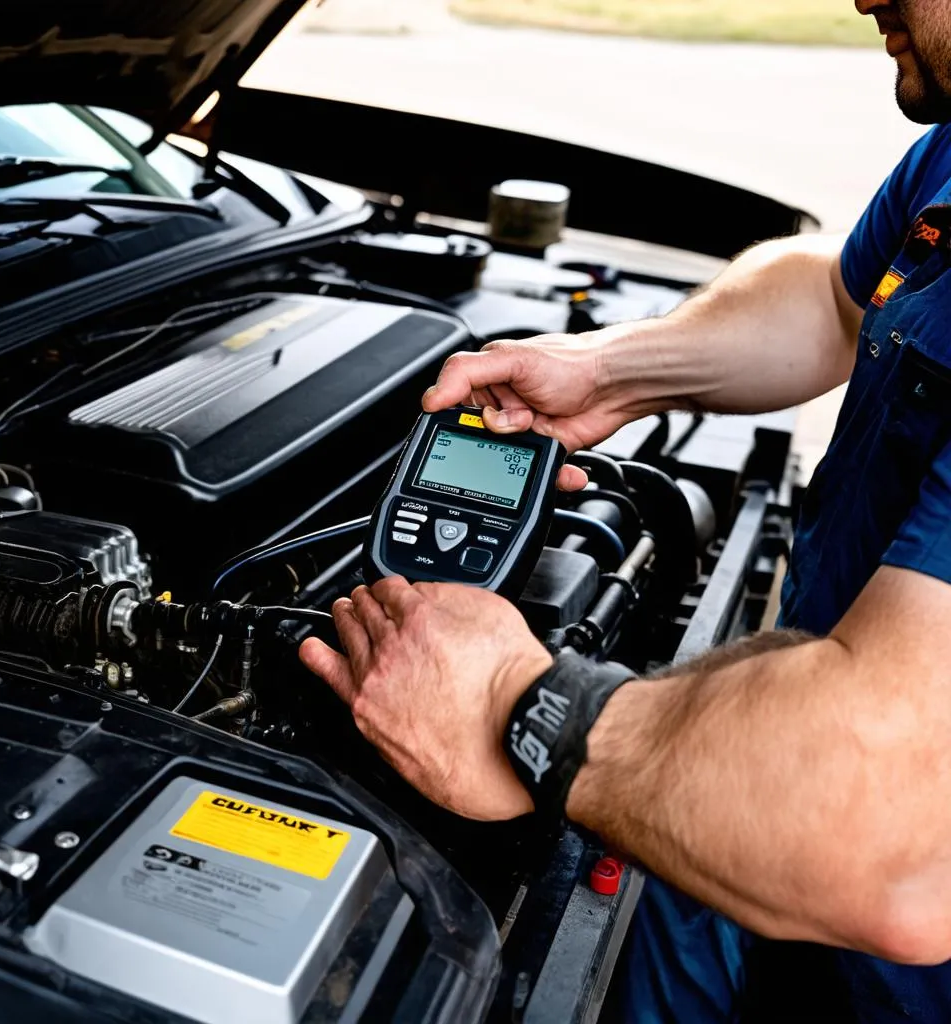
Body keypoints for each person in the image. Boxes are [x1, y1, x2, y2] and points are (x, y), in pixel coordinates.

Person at [299, 0, 951, 1018]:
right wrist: (608, 371)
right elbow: (834, 298)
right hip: (744, 768)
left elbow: (897, 839)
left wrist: (524, 708)